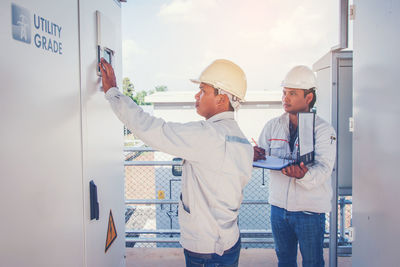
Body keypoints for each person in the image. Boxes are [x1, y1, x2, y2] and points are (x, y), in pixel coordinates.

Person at [99, 58, 253, 267]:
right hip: (228, 242)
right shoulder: (240, 139)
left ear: (222, 99)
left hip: (207, 251)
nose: (196, 95)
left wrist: (113, 93)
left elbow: (152, 128)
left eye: (203, 91)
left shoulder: (208, 136)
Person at [254, 65, 336, 267]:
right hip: (278, 209)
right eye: (284, 93)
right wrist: (254, 156)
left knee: (312, 262)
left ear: (308, 98)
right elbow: (262, 155)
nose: (285, 98)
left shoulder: (324, 130)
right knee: (285, 261)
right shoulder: (273, 125)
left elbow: (324, 168)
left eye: (292, 93)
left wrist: (303, 175)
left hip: (309, 210)